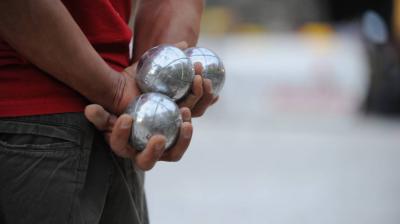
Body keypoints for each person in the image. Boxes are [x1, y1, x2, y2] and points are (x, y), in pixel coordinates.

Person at [0, 0, 217, 223]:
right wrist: (128, 94)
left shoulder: (123, 98)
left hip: (54, 130)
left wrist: (150, 92)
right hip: (33, 126)